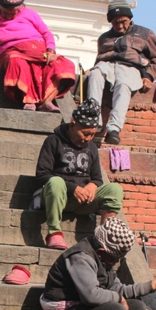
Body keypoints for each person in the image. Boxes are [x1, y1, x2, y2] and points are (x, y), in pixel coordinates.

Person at [35, 98, 124, 250]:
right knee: (55, 182)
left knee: (115, 189)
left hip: (83, 201)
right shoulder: (53, 141)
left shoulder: (92, 148)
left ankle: (104, 236)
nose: (88, 138)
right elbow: (42, 174)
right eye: (85, 133)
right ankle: (54, 232)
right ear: (72, 125)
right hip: (57, 197)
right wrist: (73, 189)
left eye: (92, 135)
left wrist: (92, 186)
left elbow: (97, 178)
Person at [0, 0, 76, 111]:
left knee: (63, 65)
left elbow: (46, 33)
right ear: (0, 6)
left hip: (38, 51)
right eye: (6, 13)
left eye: (14, 12)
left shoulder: (30, 13)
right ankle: (28, 100)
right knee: (17, 62)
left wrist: (50, 50)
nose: (10, 16)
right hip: (12, 51)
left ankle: (47, 101)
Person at [85, 0, 156, 145]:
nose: (120, 26)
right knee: (95, 75)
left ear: (130, 18)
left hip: (130, 67)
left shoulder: (145, 34)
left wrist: (149, 77)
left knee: (123, 84)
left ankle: (114, 128)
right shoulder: (104, 38)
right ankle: (94, 119)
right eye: (115, 22)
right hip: (107, 64)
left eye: (123, 21)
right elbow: (98, 59)